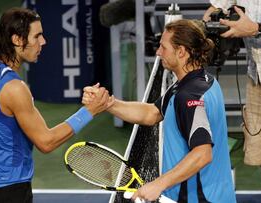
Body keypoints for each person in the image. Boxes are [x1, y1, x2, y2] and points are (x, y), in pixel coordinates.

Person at [0, 7, 109, 203]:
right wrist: (89, 111)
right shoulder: (15, 88)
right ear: (17, 40)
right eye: (37, 36)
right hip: (10, 192)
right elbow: (46, 142)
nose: (43, 42)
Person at [83, 19, 236, 202]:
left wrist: (158, 184)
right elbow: (152, 113)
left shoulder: (188, 96)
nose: (158, 52)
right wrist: (108, 103)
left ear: (181, 52)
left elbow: (202, 153)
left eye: (163, 47)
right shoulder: (203, 81)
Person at [204, 1, 261, 195]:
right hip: (258, 79)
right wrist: (207, 25)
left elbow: (253, 29)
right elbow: (215, 7)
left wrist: (256, 28)